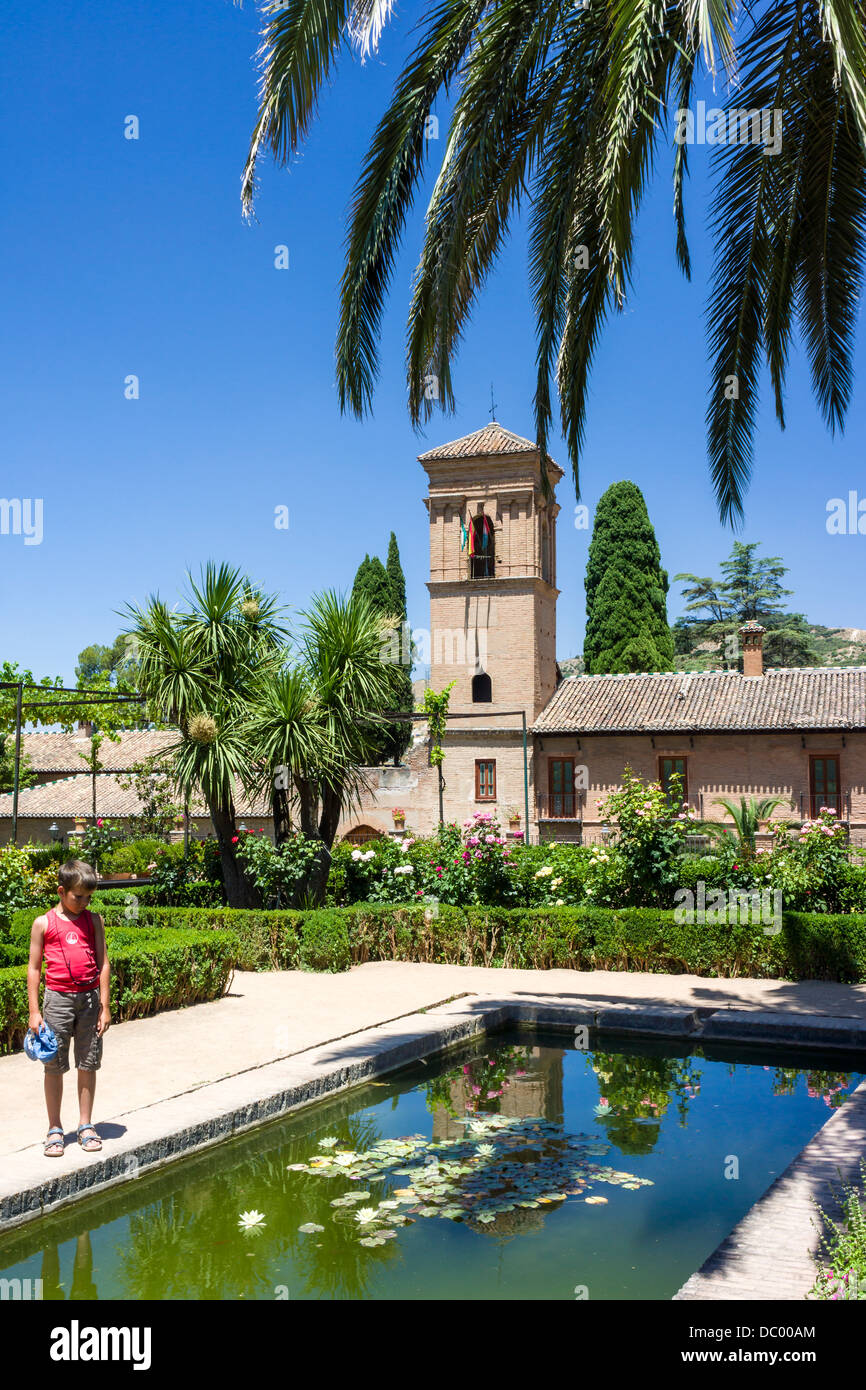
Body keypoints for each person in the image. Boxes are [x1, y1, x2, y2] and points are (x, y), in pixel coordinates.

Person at [27, 860, 111, 1157]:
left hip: (89, 1001)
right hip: (57, 1001)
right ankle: (54, 1128)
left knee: (88, 1063)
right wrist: (34, 1011)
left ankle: (85, 1125)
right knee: (54, 1066)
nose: (84, 902)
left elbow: (103, 963)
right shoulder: (43, 923)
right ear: (61, 891)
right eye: (78, 897)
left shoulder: (94, 920)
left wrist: (105, 1006)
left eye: (89, 897)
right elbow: (34, 969)